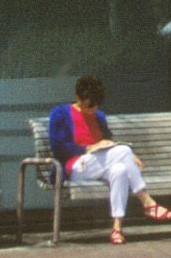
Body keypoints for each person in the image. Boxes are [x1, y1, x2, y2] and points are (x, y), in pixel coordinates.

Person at [43, 75, 150, 244]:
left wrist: (126, 154)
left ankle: (117, 228)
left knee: (120, 170)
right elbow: (58, 147)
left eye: (97, 104)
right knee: (123, 150)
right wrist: (87, 148)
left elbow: (108, 142)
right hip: (76, 165)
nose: (93, 109)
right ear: (78, 98)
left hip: (100, 166)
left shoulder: (99, 116)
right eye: (89, 105)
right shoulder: (61, 113)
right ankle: (146, 200)